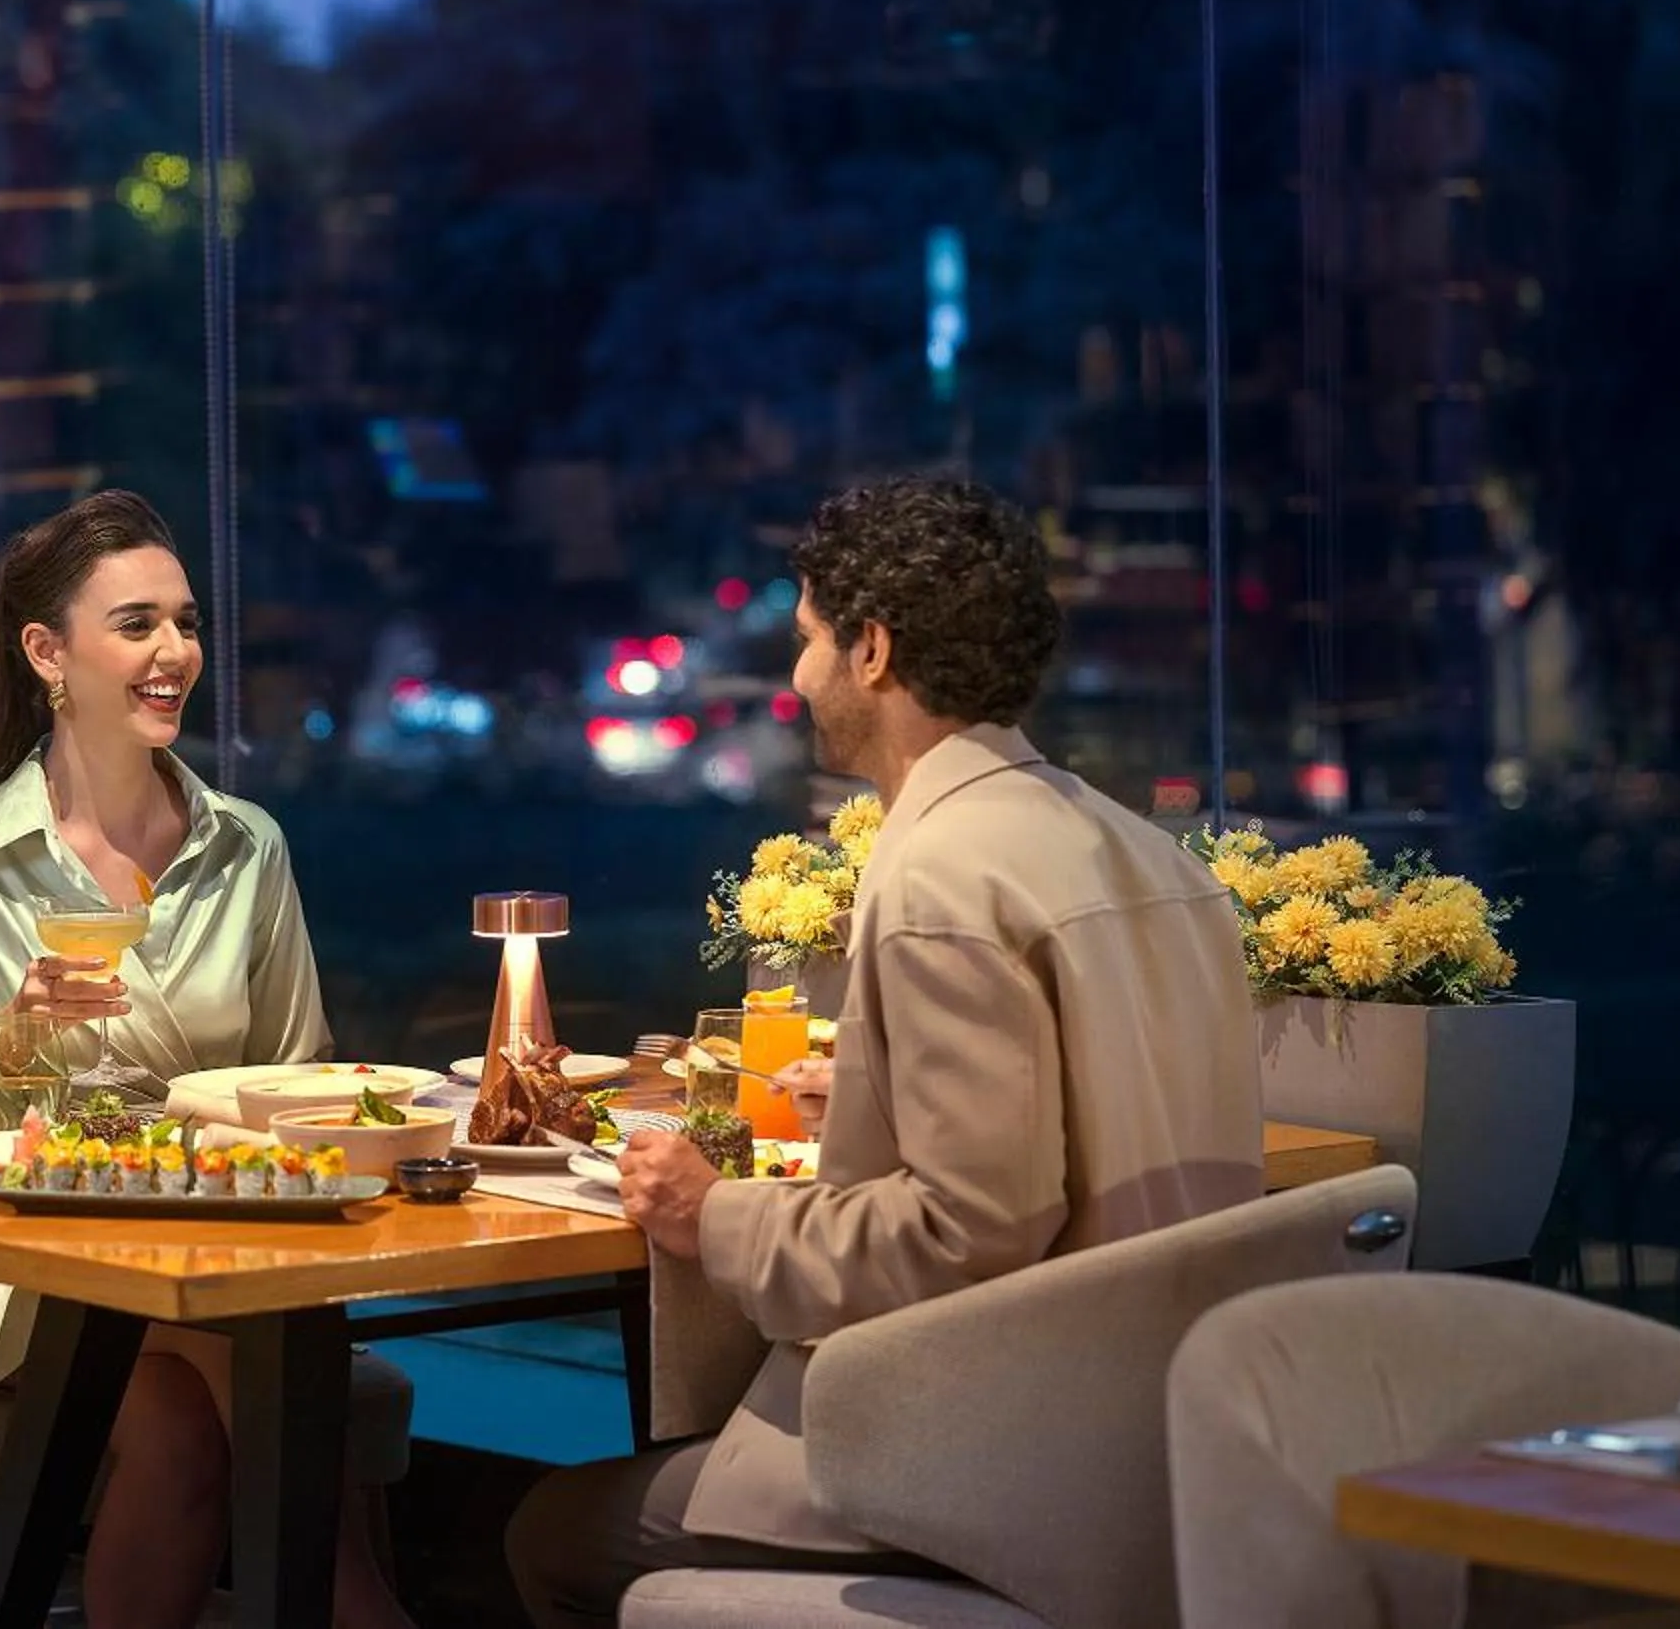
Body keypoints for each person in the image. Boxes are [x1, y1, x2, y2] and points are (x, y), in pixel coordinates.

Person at [508, 475, 1265, 1627]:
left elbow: (968, 1232)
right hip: (1167, 1448)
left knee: (550, 1535)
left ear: (873, 649)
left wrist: (710, 1212)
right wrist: (870, 1102)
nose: (798, 676)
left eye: (809, 639)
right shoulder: (1151, 857)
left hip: (1008, 1456)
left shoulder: (940, 877)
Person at [0, 487, 412, 1629]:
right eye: (137, 625)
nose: (176, 652)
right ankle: (365, 1612)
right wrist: (13, 1036)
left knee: (182, 1416)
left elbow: (300, 1071)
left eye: (186, 622)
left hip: (212, 1233)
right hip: (16, 1255)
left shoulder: (248, 847)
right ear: (46, 653)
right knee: (255, 1370)